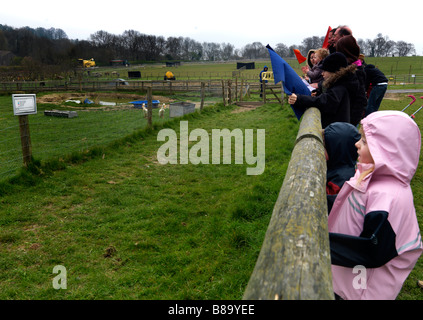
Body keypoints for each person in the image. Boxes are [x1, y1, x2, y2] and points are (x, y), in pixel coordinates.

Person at [328, 110, 423, 300]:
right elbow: (350, 204)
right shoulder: (370, 177)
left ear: (385, 149)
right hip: (348, 279)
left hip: (361, 291)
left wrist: (317, 245)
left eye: (364, 141)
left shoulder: (388, 197)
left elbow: (371, 249)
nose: (357, 143)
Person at [288, 52, 361, 128]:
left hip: (336, 133)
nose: (322, 74)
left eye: (325, 71)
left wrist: (299, 99)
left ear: (334, 71)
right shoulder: (340, 84)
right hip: (336, 130)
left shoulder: (340, 87)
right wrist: (316, 93)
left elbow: (324, 101)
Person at [323, 122, 361, 213]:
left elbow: (325, 205)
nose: (321, 149)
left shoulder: (340, 182)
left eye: (324, 146)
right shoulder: (341, 166)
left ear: (334, 149)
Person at [336, 35, 368, 126]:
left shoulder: (354, 71)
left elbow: (359, 98)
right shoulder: (354, 68)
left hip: (349, 117)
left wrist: (351, 122)